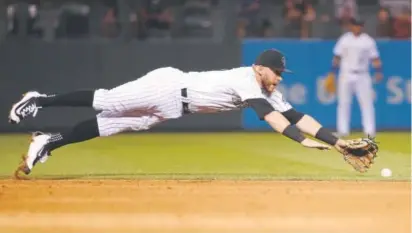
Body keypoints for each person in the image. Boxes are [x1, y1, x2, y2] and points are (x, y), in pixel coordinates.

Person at [10, 49, 351, 177]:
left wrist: (337, 143)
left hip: (173, 108)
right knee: (108, 101)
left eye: (281, 74)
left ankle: (48, 141)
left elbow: (296, 116)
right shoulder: (247, 79)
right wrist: (300, 143)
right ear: (259, 68)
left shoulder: (267, 90)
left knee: (109, 125)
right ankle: (41, 99)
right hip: (169, 87)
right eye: (275, 72)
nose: (278, 78)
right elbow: (271, 118)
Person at [325, 18, 383, 137]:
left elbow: (375, 58)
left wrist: (378, 71)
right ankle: (343, 130)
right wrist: (332, 72)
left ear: (362, 26)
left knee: (366, 103)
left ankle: (369, 131)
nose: (357, 27)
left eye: (359, 25)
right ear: (351, 26)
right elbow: (337, 57)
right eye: (355, 25)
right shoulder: (344, 39)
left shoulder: (368, 41)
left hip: (363, 74)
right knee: (343, 103)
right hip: (346, 73)